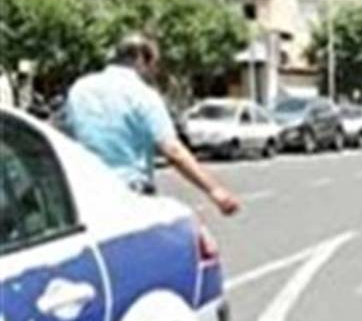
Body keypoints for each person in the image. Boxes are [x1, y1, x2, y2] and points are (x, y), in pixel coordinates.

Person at [65, 33, 240, 215]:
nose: (154, 71)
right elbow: (172, 150)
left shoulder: (80, 89)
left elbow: (62, 135)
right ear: (141, 59)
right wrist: (214, 190)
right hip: (130, 194)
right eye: (154, 63)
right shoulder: (142, 94)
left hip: (84, 195)